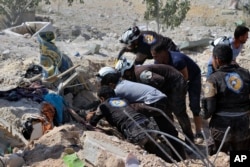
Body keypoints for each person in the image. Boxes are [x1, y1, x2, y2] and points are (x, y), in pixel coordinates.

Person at [96, 66, 186, 161]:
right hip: (161, 100)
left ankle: (142, 130)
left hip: (152, 102)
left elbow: (110, 104)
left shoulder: (118, 90)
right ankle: (180, 159)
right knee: (168, 131)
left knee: (125, 107)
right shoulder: (125, 83)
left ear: (111, 84)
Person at [115, 58, 194, 144]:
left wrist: (159, 97)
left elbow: (160, 80)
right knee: (164, 110)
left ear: (127, 71)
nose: (124, 78)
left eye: (124, 75)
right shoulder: (134, 75)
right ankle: (172, 135)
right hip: (167, 86)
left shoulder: (141, 74)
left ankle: (190, 139)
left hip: (176, 82)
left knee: (178, 111)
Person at [86, 85, 173, 162]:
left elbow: (93, 122)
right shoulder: (123, 99)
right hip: (149, 125)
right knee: (153, 148)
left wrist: (89, 117)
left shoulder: (103, 106)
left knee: (140, 156)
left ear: (102, 99)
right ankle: (170, 162)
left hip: (135, 132)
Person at [150, 42, 204, 144]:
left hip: (192, 78)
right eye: (153, 57)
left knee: (194, 105)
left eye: (156, 56)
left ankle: (198, 132)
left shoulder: (177, 61)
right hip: (175, 79)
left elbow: (185, 78)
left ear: (163, 53)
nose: (155, 59)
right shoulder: (158, 63)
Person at [200, 44, 250, 154]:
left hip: (221, 130)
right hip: (243, 126)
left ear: (217, 59)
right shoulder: (246, 74)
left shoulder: (212, 79)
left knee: (220, 158)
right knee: (240, 157)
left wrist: (202, 111)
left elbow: (209, 111)